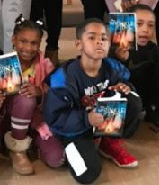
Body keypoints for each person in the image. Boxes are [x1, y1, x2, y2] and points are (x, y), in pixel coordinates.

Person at [43, 18, 143, 184]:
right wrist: (86, 119)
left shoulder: (112, 66)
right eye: (92, 37)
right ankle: (75, 148)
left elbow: (125, 82)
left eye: (104, 38)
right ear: (78, 44)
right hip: (73, 131)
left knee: (132, 99)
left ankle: (108, 142)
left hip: (102, 124)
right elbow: (55, 118)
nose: (99, 42)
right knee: (87, 174)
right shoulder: (64, 78)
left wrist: (124, 87)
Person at [0, 16, 64, 175]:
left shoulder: (46, 66)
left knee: (56, 158)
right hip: (7, 122)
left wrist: (40, 91)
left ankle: (33, 143)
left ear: (40, 44)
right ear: (13, 40)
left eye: (34, 43)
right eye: (23, 41)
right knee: (25, 98)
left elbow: (59, 94)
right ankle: (17, 148)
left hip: (35, 121)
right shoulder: (2, 65)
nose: (28, 47)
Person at [110, 5, 159, 132]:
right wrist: (122, 59)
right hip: (125, 98)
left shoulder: (153, 49)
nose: (145, 30)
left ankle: (157, 111)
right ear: (127, 24)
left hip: (146, 96)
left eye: (151, 25)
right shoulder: (113, 48)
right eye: (139, 24)